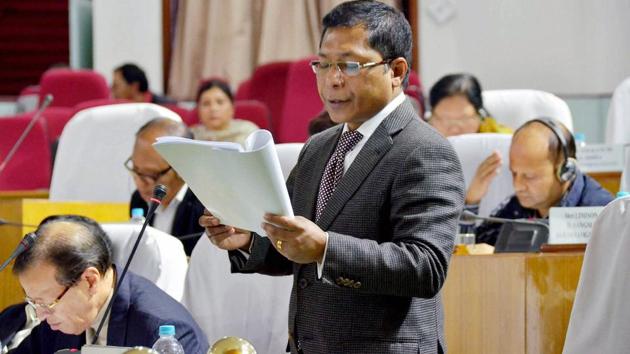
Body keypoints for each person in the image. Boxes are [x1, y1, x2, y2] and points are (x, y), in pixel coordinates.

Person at [201, 1, 465, 353]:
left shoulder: (424, 150)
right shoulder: (319, 147)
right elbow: (298, 247)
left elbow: (425, 266)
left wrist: (326, 248)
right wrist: (247, 239)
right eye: (323, 64)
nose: (332, 79)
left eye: (350, 65)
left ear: (397, 70)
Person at [10, 215, 208, 354]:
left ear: (89, 280)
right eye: (34, 303)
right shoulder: (55, 320)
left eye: (45, 303)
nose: (41, 315)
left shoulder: (161, 331)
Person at [475, 118, 614, 245]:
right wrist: (471, 202)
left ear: (566, 172)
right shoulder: (518, 206)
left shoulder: (603, 214)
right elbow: (478, 246)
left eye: (529, 176)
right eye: (514, 173)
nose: (518, 186)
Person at [426, 73, 513, 208]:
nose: (454, 129)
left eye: (463, 119)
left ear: (480, 115)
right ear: (430, 117)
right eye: (444, 119)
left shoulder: (504, 143)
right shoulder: (418, 144)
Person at [127, 118, 205, 255]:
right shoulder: (138, 199)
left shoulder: (205, 209)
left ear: (182, 169)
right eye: (135, 169)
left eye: (151, 175)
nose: (139, 182)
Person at [190, 79, 259, 146]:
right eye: (206, 103)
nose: (213, 108)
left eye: (220, 102)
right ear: (198, 109)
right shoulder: (191, 136)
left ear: (232, 107)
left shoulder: (248, 132)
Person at [111, 63, 175, 104]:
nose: (111, 89)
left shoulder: (165, 108)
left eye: (116, 86)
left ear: (134, 87)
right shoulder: (120, 108)